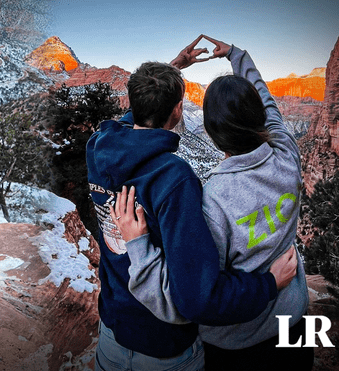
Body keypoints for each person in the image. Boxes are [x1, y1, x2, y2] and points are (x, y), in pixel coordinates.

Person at [85, 35, 298, 371]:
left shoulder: (98, 147)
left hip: (113, 327)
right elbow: (198, 296)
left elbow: (136, 118)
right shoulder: (180, 180)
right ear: (179, 110)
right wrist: (236, 55)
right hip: (165, 345)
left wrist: (166, 77)